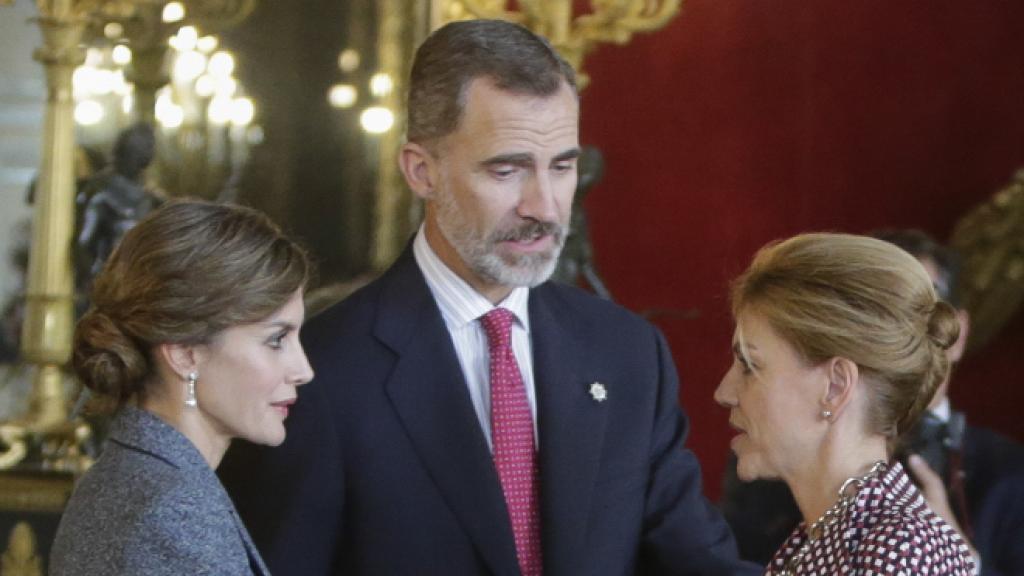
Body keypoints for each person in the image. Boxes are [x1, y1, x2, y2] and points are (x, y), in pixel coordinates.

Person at [219, 18, 755, 576]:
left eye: (562, 167)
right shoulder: (320, 373)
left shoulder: (627, 353)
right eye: (507, 170)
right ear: (422, 172)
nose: (544, 206)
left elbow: (696, 563)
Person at [719, 230, 1024, 575]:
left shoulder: (896, 550)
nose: (724, 392)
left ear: (835, 387)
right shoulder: (835, 533)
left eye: (750, 365)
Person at [50, 200, 314, 576]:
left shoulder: (129, 476)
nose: (303, 371)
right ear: (185, 354)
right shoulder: (173, 512)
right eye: (276, 340)